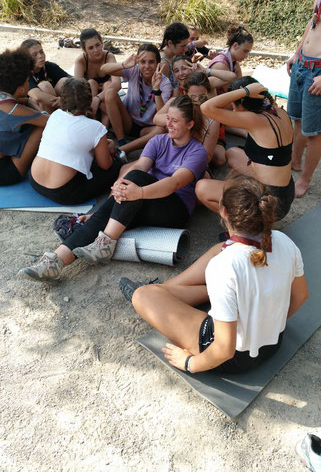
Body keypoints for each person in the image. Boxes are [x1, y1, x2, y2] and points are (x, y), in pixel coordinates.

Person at [125, 174, 308, 374]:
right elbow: (301, 295)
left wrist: (189, 363)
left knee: (142, 295)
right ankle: (164, 290)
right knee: (221, 247)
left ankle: (159, 291)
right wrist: (270, 324)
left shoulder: (223, 266)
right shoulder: (284, 241)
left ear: (223, 212)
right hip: (274, 342)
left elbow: (224, 350)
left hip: (234, 358)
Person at [19, 96, 208, 282]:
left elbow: (173, 184)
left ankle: (106, 243)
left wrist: (137, 191)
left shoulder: (197, 152)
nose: (169, 124)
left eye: (175, 121)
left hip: (174, 208)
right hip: (145, 198)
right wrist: (120, 188)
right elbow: (140, 165)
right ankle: (56, 261)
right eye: (168, 118)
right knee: (107, 210)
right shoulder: (159, 141)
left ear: (190, 124)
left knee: (133, 182)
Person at [196, 77, 294, 220]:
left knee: (202, 188)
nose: (233, 109)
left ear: (242, 102)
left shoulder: (254, 120)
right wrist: (246, 92)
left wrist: (245, 91)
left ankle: (246, 228)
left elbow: (206, 108)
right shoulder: (278, 111)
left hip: (270, 204)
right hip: (286, 192)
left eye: (234, 105)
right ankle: (246, 202)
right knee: (232, 154)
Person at [29, 77, 120, 204]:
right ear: (89, 100)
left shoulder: (55, 116)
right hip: (62, 192)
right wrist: (110, 151)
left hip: (34, 180)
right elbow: (105, 166)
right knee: (117, 168)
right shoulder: (96, 127)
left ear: (63, 99)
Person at [99, 44, 172, 154]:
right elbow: (103, 69)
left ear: (158, 64)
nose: (147, 66)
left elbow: (161, 114)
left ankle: (122, 150)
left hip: (147, 128)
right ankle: (121, 140)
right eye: (143, 62)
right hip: (128, 121)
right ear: (138, 62)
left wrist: (156, 89)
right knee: (109, 93)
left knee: (161, 130)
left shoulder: (165, 83)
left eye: (151, 62)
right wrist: (124, 64)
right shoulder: (134, 70)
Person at [287, 0, 321, 197]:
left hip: (318, 72)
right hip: (302, 64)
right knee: (297, 119)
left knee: (315, 133)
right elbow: (313, 21)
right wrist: (297, 52)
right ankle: (294, 161)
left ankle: (305, 180)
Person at [206, 25, 254, 165]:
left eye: (248, 52)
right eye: (245, 51)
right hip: (217, 108)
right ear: (235, 45)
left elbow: (241, 88)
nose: (246, 56)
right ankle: (244, 131)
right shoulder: (221, 64)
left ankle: (245, 130)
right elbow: (234, 95)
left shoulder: (234, 62)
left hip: (224, 106)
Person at [0, 48, 48, 186]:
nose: (29, 84)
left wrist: (38, 113)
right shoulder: (14, 109)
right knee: (40, 127)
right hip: (5, 172)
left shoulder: (4, 96)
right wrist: (41, 114)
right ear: (21, 88)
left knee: (35, 121)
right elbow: (51, 122)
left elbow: (26, 99)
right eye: (28, 81)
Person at [154, 71, 219, 163]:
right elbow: (156, 119)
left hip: (192, 160)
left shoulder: (212, 118)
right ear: (185, 92)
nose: (197, 100)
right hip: (168, 153)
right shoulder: (175, 102)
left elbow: (207, 155)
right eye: (193, 97)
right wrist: (177, 120)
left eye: (202, 97)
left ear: (208, 93)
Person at [74, 28, 121, 123]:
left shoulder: (109, 56)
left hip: (106, 98)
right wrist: (93, 100)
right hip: (89, 98)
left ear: (102, 43)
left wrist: (98, 98)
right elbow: (76, 88)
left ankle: (104, 130)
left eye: (98, 45)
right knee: (91, 83)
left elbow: (117, 84)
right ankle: (93, 123)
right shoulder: (81, 61)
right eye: (91, 48)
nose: (96, 50)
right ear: (84, 49)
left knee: (107, 85)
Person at [20, 39, 69, 113]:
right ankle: (48, 122)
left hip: (57, 105)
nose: (40, 56)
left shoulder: (50, 66)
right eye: (34, 55)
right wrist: (64, 102)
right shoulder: (23, 72)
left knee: (65, 81)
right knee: (45, 86)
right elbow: (37, 96)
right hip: (34, 111)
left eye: (41, 52)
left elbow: (73, 81)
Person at [171, 55, 236, 95]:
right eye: (176, 71)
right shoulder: (178, 91)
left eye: (184, 68)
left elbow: (232, 77)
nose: (181, 73)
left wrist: (206, 70)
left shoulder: (206, 82)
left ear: (191, 68)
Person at [159, 22, 190, 87]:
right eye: (182, 46)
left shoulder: (175, 53)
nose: (186, 49)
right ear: (170, 43)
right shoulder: (163, 64)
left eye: (186, 45)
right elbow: (165, 91)